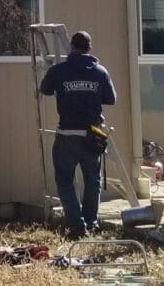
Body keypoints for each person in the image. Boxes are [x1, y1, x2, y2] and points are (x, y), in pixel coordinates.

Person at [39, 30, 116, 238]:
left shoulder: (59, 70)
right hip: (93, 135)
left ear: (71, 47)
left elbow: (45, 89)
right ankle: (90, 223)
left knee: (65, 180)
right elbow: (110, 99)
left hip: (67, 135)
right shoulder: (100, 72)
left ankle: (76, 225)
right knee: (93, 180)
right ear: (89, 48)